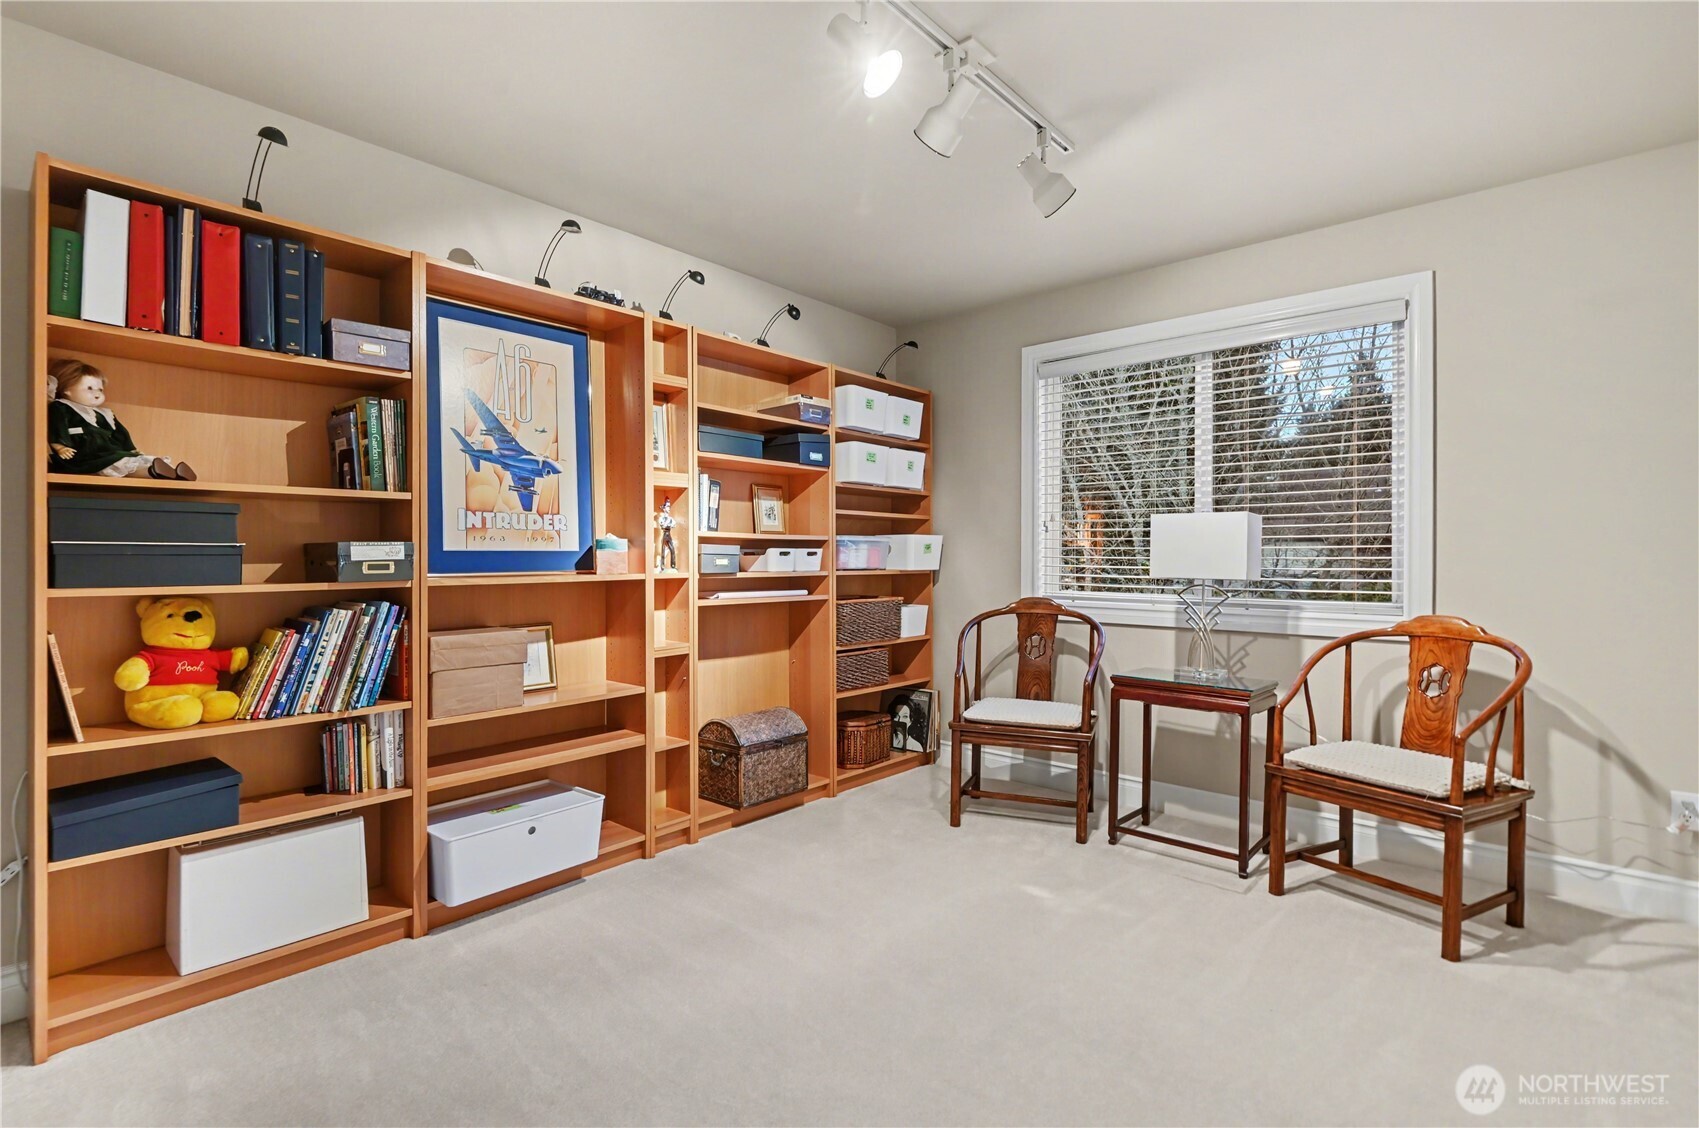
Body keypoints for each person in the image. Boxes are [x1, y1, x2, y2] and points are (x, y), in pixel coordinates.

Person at [47, 359, 196, 480]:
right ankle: (153, 472)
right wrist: (60, 446)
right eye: (89, 389)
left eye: (100, 390)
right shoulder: (62, 407)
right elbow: (57, 427)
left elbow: (120, 432)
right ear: (67, 389)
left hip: (108, 450)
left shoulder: (105, 413)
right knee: (118, 462)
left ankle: (166, 472)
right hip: (85, 454)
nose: (97, 394)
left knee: (131, 458)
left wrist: (130, 448)